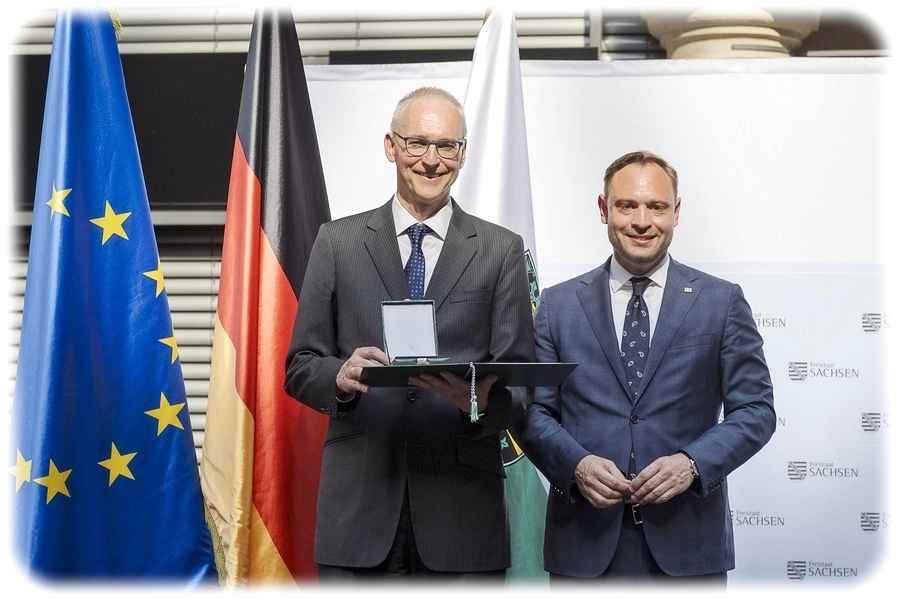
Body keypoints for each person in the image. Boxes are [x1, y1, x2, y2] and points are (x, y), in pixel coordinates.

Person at [284, 87, 534, 579]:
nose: (431, 160)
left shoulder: (502, 250)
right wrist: (341, 375)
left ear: (462, 154)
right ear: (390, 146)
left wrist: (475, 400)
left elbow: (520, 388)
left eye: (447, 146)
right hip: (358, 512)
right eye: (417, 143)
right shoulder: (337, 242)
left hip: (463, 515)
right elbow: (300, 366)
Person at [521, 150, 775, 584]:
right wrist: (576, 465)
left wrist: (692, 464)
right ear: (604, 210)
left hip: (688, 546)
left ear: (676, 212)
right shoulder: (556, 305)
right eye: (626, 205)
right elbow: (531, 413)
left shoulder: (722, 302)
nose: (642, 220)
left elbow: (756, 411)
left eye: (656, 206)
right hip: (583, 546)